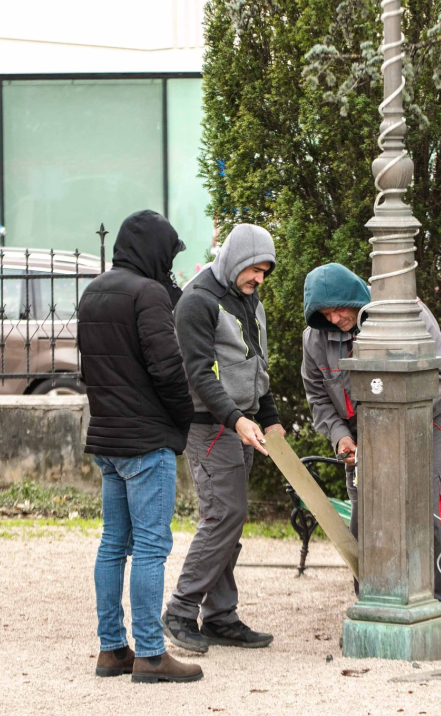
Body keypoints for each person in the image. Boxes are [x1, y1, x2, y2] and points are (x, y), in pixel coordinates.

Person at [299, 262, 441, 648]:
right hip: (362, 446)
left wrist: (397, 426)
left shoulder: (406, 311)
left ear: (356, 297)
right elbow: (318, 401)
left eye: (340, 308)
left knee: (436, 522)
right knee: (367, 524)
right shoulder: (314, 340)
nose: (336, 318)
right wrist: (342, 437)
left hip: (423, 429)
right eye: (325, 314)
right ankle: (375, 605)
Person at [77, 210, 203, 684]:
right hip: (146, 441)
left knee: (114, 544)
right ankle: (151, 654)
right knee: (151, 547)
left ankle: (112, 650)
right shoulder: (147, 295)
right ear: (153, 248)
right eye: (167, 253)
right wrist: (183, 417)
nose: (169, 265)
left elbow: (90, 368)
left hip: (109, 438)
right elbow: (168, 369)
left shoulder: (94, 292)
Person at [163, 224, 285, 653]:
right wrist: (236, 419)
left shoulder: (248, 300)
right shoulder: (198, 302)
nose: (260, 279)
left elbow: (255, 364)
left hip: (242, 424)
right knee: (222, 515)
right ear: (235, 260)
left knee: (229, 520)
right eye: (255, 269)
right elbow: (198, 374)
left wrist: (268, 419)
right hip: (210, 426)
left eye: (265, 272)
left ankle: (220, 617)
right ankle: (180, 610)